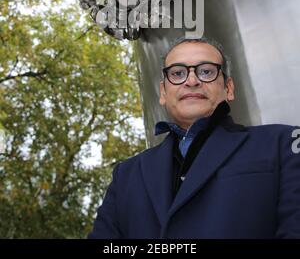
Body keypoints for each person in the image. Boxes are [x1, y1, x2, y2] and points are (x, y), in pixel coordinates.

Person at [88, 36, 300, 239]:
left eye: (206, 71)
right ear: (163, 92)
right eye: (178, 73)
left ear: (229, 88)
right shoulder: (126, 174)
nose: (191, 81)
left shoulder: (284, 144)